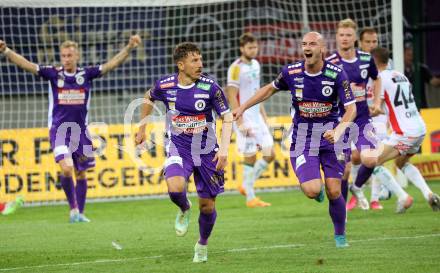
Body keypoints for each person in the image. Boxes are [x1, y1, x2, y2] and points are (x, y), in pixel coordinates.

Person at [234, 32, 356, 247]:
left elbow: (351, 109)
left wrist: (338, 131)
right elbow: (268, 90)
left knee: (335, 190)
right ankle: (316, 191)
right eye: (304, 44)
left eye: (312, 44)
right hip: (303, 139)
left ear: (322, 49)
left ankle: (340, 236)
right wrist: (243, 107)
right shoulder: (291, 72)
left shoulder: (337, 74)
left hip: (331, 137)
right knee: (312, 190)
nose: (307, 47)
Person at [0, 35, 141, 223]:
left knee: (81, 173)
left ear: (77, 56)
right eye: (64, 55)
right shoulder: (53, 74)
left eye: (69, 55)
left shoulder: (86, 74)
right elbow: (27, 65)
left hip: (81, 132)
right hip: (59, 131)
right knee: (67, 169)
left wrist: (129, 47)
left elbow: (110, 65)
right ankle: (73, 208)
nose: (66, 59)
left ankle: (79, 214)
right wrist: (6, 50)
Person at [135, 42, 233, 262]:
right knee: (176, 188)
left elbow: (227, 117)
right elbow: (149, 96)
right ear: (181, 65)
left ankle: (202, 244)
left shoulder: (211, 88)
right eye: (194, 60)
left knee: (207, 205)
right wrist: (142, 127)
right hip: (179, 146)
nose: (200, 64)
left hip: (208, 151)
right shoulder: (166, 85)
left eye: (200, 59)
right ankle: (184, 207)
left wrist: (224, 149)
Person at [363, 47, 440, 211]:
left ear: (374, 61)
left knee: (372, 161)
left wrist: (358, 110)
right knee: (400, 162)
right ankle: (429, 195)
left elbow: (377, 108)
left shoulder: (380, 79)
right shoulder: (400, 75)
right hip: (419, 128)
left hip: (404, 132)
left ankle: (398, 196)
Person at [326, 19, 390, 211]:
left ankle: (357, 187)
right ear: (337, 37)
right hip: (340, 121)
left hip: (362, 119)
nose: (344, 38)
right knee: (343, 170)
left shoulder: (365, 59)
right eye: (341, 35)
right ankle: (342, 212)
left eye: (348, 35)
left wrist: (377, 102)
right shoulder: (330, 63)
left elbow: (377, 79)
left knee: (371, 159)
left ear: (355, 38)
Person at [225, 33, 274, 208]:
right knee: (251, 156)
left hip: (257, 117)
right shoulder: (236, 68)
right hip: (243, 118)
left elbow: (257, 92)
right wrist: (239, 122)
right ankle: (251, 198)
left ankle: (246, 185)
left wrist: (263, 114)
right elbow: (231, 94)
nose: (253, 50)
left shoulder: (256, 64)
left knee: (270, 154)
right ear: (242, 48)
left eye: (255, 47)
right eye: (249, 47)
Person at [404, 44, 440, 109]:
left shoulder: (421, 68)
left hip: (421, 106)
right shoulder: (398, 69)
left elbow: (434, 82)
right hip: (405, 107)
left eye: (412, 55)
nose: (411, 58)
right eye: (408, 55)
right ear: (403, 55)